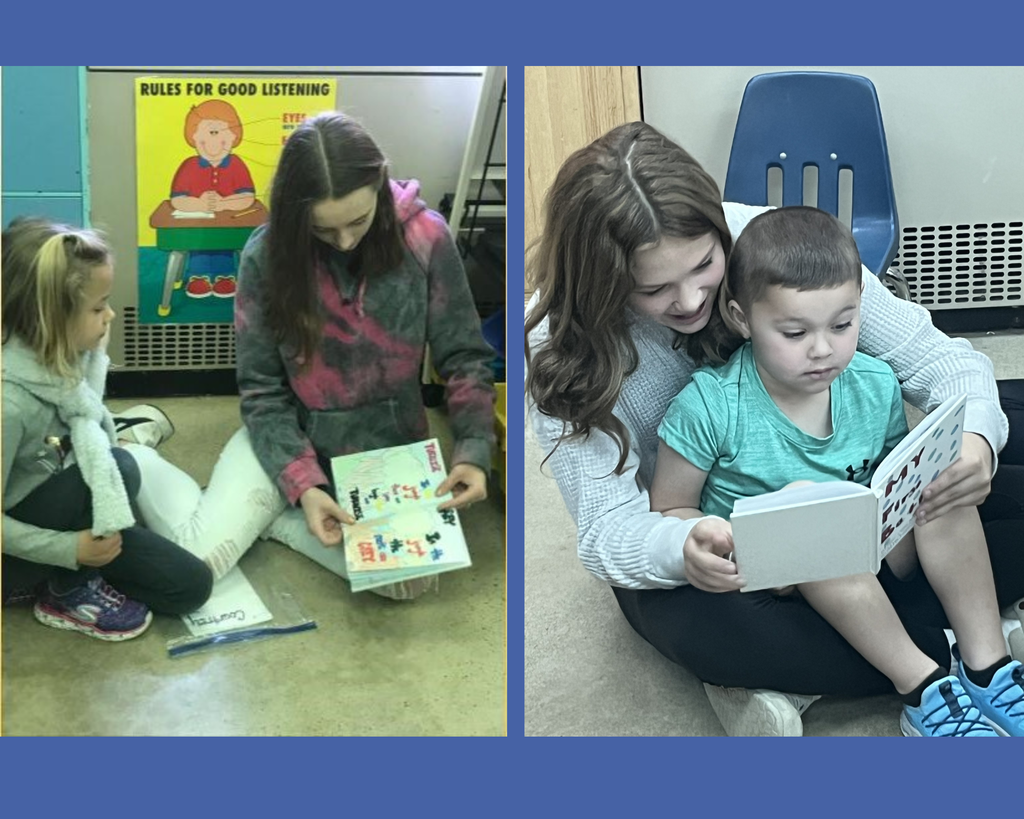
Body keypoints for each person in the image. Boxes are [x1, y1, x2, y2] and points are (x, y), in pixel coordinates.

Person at [525, 121, 1024, 736]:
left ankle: (966, 653)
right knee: (711, 624)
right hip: (717, 529)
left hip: (859, 499)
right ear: (605, 281)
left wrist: (975, 444)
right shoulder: (559, 351)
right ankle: (929, 662)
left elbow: (936, 359)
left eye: (706, 265)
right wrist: (686, 548)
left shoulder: (773, 246)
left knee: (976, 448)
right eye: (652, 289)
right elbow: (608, 529)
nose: (689, 301)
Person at [648, 206, 1022, 737]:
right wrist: (713, 541)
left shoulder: (873, 381)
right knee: (812, 511)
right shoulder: (708, 406)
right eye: (795, 332)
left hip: (873, 555)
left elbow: (895, 472)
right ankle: (922, 687)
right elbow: (670, 509)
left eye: (843, 325)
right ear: (740, 318)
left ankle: (989, 666)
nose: (824, 349)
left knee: (941, 486)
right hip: (771, 577)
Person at [233, 111, 496, 595]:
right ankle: (273, 504)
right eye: (323, 230)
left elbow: (464, 358)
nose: (346, 241)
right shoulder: (264, 256)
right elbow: (261, 389)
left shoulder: (426, 238)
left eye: (357, 220)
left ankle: (276, 519)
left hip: (385, 453)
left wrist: (475, 452)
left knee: (409, 586)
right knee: (208, 551)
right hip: (294, 438)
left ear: (379, 185)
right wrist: (304, 483)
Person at [1, 218, 213, 640]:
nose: (111, 315)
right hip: (17, 550)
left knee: (191, 586)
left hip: (63, 501)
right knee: (115, 463)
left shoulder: (69, 354)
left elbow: (88, 419)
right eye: (98, 308)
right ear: (51, 320)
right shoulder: (9, 405)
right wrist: (69, 551)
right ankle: (61, 589)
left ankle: (75, 568)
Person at [169, 99, 257, 299]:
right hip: (197, 228)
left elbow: (248, 198)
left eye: (221, 136)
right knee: (200, 243)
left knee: (225, 242)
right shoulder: (188, 166)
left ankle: (225, 275)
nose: (213, 144)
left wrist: (222, 203)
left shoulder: (237, 165)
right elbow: (177, 200)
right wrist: (199, 203)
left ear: (234, 137)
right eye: (205, 137)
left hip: (229, 227)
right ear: (193, 138)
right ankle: (197, 275)